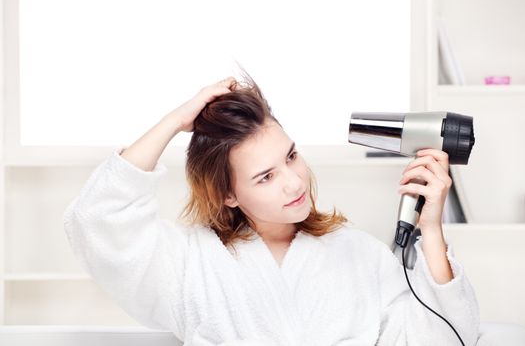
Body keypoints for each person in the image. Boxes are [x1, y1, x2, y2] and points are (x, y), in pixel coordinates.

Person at [63, 71, 480, 345]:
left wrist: (432, 230)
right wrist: (175, 120)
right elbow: (96, 220)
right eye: (265, 177)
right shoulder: (191, 264)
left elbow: (444, 337)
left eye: (292, 156)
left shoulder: (359, 253)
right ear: (228, 194)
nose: (294, 181)